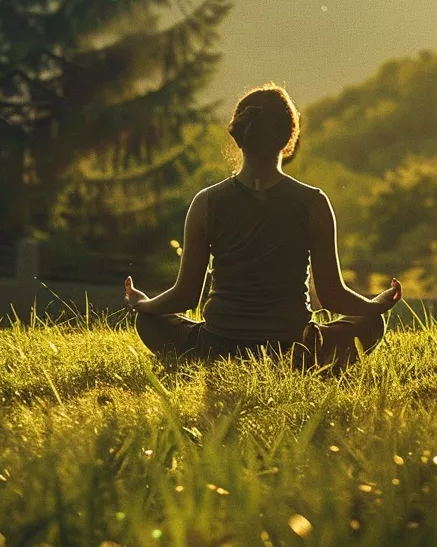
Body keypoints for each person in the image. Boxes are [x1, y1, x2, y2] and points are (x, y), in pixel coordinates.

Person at [123, 84, 403, 369]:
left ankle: (216, 355)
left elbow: (186, 295)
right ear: (288, 138)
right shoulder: (313, 203)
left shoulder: (205, 202)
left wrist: (143, 305)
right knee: (371, 325)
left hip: (216, 346)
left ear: (238, 136)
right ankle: (300, 361)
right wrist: (373, 307)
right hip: (294, 348)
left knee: (149, 323)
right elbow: (332, 295)